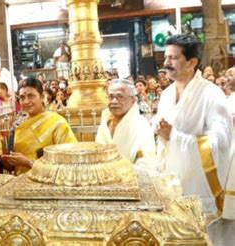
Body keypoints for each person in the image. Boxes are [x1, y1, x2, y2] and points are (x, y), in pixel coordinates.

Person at [153, 34, 234, 245]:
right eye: (166, 57)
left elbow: (220, 142)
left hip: (201, 189)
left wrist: (175, 137)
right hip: (172, 186)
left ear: (192, 63)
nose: (166, 63)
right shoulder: (166, 94)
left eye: (173, 58)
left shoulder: (212, 94)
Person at [1, 77, 78, 175]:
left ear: (42, 97)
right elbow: (11, 166)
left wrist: (28, 163)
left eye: (31, 96)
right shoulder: (17, 125)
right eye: (22, 97)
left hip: (48, 185)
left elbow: (69, 161)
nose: (25, 101)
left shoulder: (57, 123)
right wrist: (0, 150)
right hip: (22, 184)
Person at [95, 79, 155, 163]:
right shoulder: (105, 121)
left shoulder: (141, 126)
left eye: (120, 97)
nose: (114, 101)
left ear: (133, 100)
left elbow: (145, 162)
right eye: (111, 97)